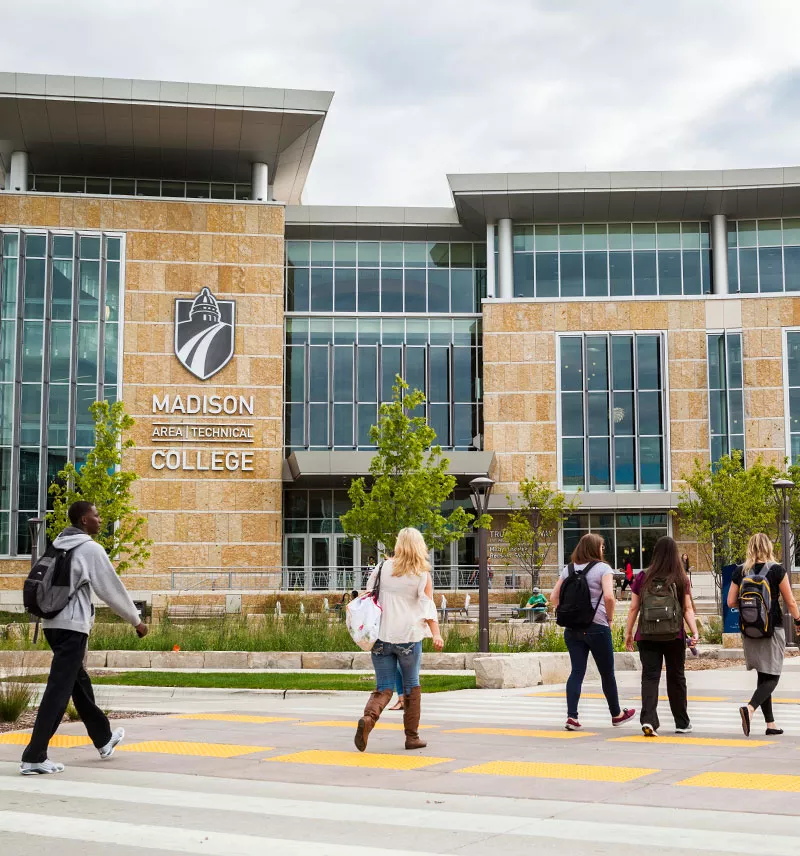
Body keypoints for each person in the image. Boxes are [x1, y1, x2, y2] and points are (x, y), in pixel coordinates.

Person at [20, 501, 149, 776]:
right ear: (83, 520)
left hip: (51, 625)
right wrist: (136, 621)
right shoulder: (89, 548)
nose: (100, 519)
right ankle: (34, 755)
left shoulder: (58, 545)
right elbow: (111, 589)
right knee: (58, 689)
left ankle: (103, 739)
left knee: (77, 682)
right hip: (72, 628)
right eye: (96, 514)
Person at [354, 527, 443, 752]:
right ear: (419, 545)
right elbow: (428, 606)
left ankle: (369, 719)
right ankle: (412, 738)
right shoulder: (422, 572)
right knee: (411, 685)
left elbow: (367, 593)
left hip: (381, 637)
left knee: (384, 686)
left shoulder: (382, 567)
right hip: (409, 638)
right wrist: (436, 633)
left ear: (398, 544)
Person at [550, 533, 635, 731]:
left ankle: (572, 717)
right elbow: (609, 597)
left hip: (572, 629)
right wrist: (610, 618)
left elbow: (554, 597)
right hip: (597, 627)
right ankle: (616, 714)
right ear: (595, 548)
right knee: (607, 673)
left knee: (577, 672)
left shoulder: (568, 569)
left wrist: (571, 612)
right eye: (602, 547)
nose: (603, 550)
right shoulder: (603, 568)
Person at [624, 536, 699, 737]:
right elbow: (687, 608)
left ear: (655, 553)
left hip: (647, 635)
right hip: (674, 635)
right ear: (675, 554)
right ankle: (682, 722)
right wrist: (694, 631)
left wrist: (629, 633)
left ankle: (648, 719)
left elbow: (633, 608)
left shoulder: (643, 577)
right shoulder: (681, 578)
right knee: (676, 677)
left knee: (650, 676)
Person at [727, 533, 800, 737]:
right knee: (773, 675)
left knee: (763, 674)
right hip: (772, 628)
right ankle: (749, 709)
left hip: (749, 630)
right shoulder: (777, 570)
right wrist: (798, 620)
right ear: (768, 547)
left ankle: (771, 724)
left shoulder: (741, 571)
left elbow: (731, 602)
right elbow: (790, 601)